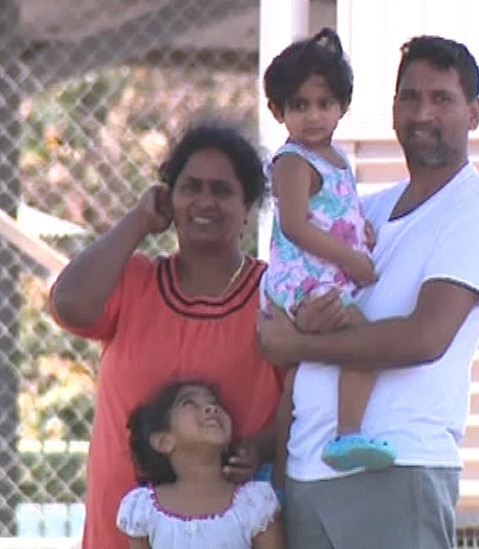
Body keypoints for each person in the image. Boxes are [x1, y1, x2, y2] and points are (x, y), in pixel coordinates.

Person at [257, 35, 479, 549]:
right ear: (392, 110)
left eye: (441, 98)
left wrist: (298, 344)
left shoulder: (478, 212)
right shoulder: (364, 208)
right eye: (409, 97)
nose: (422, 113)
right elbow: (283, 305)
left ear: (474, 113)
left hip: (398, 467)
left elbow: (423, 339)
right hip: (309, 470)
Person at [49, 121, 283, 548]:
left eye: (223, 190)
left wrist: (261, 447)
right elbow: (68, 304)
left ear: (249, 206)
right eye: (190, 187)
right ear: (168, 198)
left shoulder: (274, 293)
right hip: (119, 527)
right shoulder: (135, 279)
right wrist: (139, 220)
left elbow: (300, 400)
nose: (205, 201)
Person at [262, 26, 396, 486]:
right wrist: (353, 260)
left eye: (324, 104)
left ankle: (281, 470)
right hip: (305, 278)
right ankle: (347, 433)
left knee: (298, 376)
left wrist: (363, 231)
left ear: (342, 106)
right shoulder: (294, 161)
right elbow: (297, 225)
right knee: (364, 343)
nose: (313, 116)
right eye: (299, 105)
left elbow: (334, 212)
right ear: (277, 110)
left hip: (325, 273)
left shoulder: (335, 157)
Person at [116, 380, 284, 548]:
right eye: (189, 404)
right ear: (164, 441)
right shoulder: (144, 510)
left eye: (215, 403)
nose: (212, 409)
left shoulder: (254, 504)